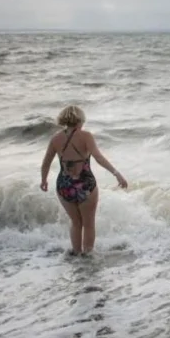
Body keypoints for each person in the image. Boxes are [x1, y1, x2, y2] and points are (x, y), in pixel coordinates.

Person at [40, 105, 128, 256]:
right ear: (80, 120)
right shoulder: (86, 136)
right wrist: (116, 173)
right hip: (85, 184)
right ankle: (87, 256)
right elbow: (98, 157)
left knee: (75, 223)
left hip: (64, 186)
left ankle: (76, 253)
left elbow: (46, 162)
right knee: (88, 224)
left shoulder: (56, 139)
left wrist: (44, 180)